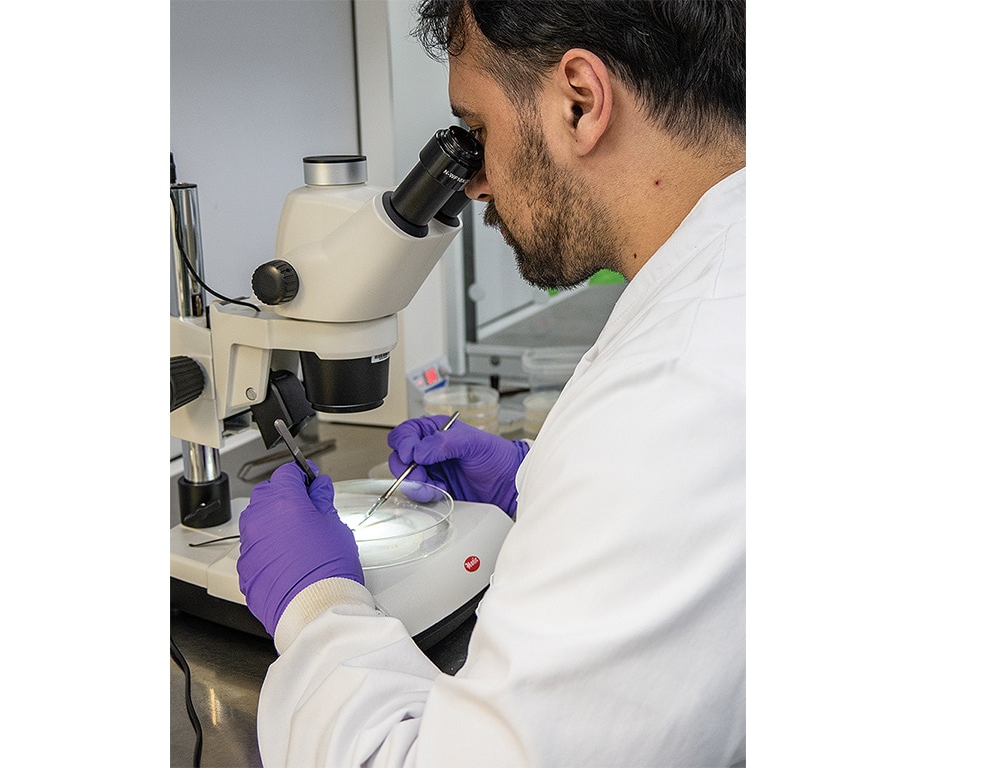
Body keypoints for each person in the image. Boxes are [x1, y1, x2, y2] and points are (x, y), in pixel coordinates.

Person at [236, 0, 746, 764]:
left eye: (476, 134)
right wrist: (536, 485)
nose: (471, 185)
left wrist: (317, 607)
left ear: (580, 100)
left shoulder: (667, 397)